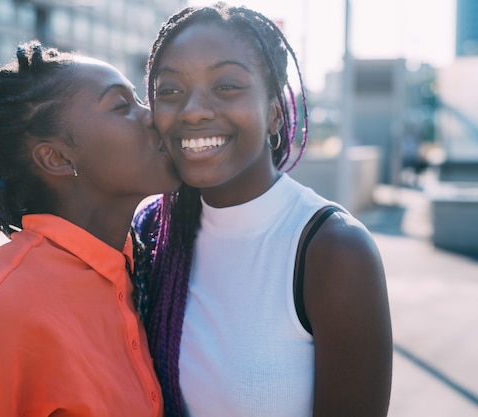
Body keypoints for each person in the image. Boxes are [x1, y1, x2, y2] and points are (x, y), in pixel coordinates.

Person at [133, 3, 393, 417]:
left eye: (226, 86)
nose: (193, 110)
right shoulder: (150, 233)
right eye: (170, 91)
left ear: (274, 112)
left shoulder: (333, 250)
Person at [0, 40, 180, 416]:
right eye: (122, 106)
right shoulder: (3, 307)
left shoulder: (138, 268)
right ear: (55, 158)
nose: (152, 116)